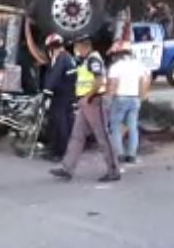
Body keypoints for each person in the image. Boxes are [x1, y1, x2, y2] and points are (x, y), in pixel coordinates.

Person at [50, 35, 121, 182]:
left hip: (94, 101)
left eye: (78, 47)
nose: (77, 50)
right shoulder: (86, 61)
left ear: (86, 46)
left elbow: (99, 79)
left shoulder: (93, 59)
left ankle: (114, 169)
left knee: (103, 136)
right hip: (85, 102)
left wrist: (89, 96)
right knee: (77, 135)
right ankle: (67, 168)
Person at [107, 42, 151, 164]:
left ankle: (119, 154)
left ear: (118, 54)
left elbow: (113, 85)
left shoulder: (116, 67)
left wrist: (108, 99)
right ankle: (131, 154)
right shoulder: (138, 65)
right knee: (132, 127)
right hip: (134, 98)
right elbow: (145, 80)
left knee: (115, 126)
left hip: (120, 98)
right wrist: (142, 96)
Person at [41, 33, 76, 162]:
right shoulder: (68, 57)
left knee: (59, 124)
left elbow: (54, 76)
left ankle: (59, 152)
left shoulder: (61, 58)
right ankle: (58, 150)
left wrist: (47, 92)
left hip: (61, 96)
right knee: (64, 123)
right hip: (68, 95)